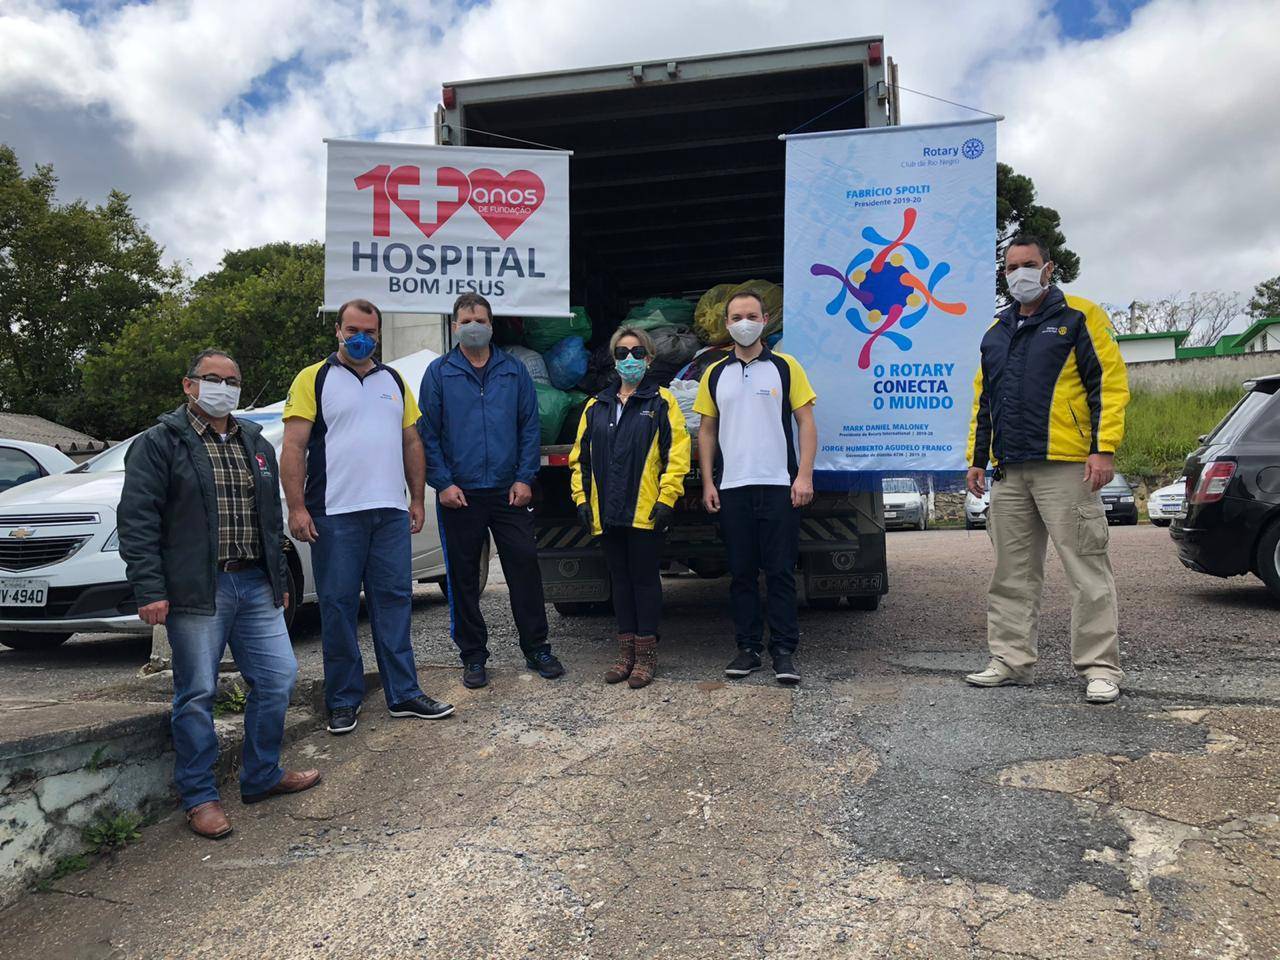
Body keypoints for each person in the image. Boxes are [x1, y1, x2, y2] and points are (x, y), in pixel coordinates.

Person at [118, 349, 319, 839]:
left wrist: (280, 579)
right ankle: (199, 796)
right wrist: (150, 587)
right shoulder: (160, 444)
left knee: (278, 679)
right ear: (189, 385)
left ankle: (261, 774)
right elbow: (138, 520)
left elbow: (269, 517)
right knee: (197, 693)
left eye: (232, 380)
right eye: (213, 379)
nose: (223, 388)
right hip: (197, 587)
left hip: (254, 584)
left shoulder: (254, 441)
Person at [965, 234, 1130, 704]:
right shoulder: (995, 330)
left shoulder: (1081, 315)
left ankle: (1100, 668)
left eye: (1029, 264)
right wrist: (977, 459)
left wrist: (1102, 448)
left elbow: (1109, 385)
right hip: (1010, 471)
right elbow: (985, 400)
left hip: (1066, 467)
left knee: (1086, 568)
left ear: (1048, 267)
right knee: (1011, 573)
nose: (1020, 273)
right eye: (1012, 265)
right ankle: (1011, 661)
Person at [281, 299, 453, 735]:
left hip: (389, 513)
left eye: (370, 332)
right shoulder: (313, 378)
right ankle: (342, 700)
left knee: (394, 603)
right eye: (352, 329)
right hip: (335, 515)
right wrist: (297, 507)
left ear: (379, 334)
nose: (361, 338)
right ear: (337, 330)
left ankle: (404, 694)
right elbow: (294, 447)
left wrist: (417, 499)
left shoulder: (393, 379)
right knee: (338, 608)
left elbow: (411, 442)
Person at [418, 293, 564, 689]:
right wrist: (443, 482)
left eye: (480, 319)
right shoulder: (439, 372)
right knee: (463, 578)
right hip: (459, 495)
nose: (474, 326)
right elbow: (427, 432)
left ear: (492, 325)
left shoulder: (513, 371)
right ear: (454, 326)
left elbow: (529, 427)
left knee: (524, 567)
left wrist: (524, 477)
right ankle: (473, 656)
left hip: (508, 492)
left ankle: (537, 648)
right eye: (466, 320)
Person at [694, 291, 818, 685]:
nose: (743, 321)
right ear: (726, 324)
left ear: (765, 319)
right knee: (742, 573)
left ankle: (783, 651)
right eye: (736, 316)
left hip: (780, 486)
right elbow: (707, 431)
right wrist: (709, 481)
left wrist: (805, 476)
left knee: (780, 572)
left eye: (751, 315)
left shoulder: (785, 367)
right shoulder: (714, 373)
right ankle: (748, 649)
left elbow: (806, 423)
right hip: (733, 488)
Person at [569, 327, 690, 688]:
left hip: (645, 511)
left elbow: (677, 456)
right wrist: (581, 499)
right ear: (614, 360)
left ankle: (647, 656)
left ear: (650, 359)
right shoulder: (596, 405)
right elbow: (581, 459)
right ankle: (625, 654)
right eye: (622, 353)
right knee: (619, 581)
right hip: (607, 509)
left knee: (644, 580)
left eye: (637, 353)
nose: (630, 360)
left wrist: (667, 498)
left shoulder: (662, 403)